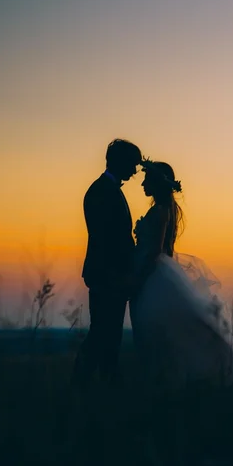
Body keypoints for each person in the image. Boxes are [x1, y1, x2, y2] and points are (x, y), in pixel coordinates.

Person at [129, 159, 233, 391]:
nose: (143, 182)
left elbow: (157, 251)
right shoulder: (161, 210)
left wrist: (139, 278)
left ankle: (166, 385)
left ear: (156, 183)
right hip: (156, 275)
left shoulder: (161, 212)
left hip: (153, 278)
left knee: (156, 334)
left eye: (147, 178)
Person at [72, 138, 142, 388]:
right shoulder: (101, 191)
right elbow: (105, 240)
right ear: (119, 162)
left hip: (112, 276)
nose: (135, 172)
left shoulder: (110, 190)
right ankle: (82, 383)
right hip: (107, 276)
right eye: (132, 165)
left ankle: (106, 384)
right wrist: (118, 275)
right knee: (102, 332)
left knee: (109, 334)